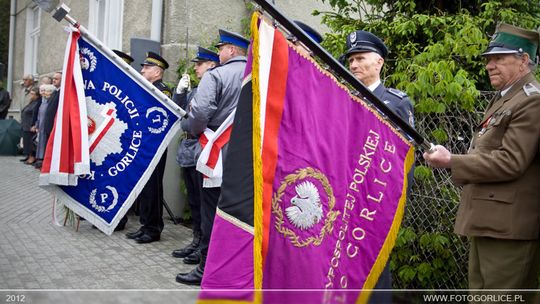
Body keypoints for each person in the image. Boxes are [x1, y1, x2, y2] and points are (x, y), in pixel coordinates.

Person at [423, 23, 540, 300]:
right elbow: (487, 151)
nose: (490, 65)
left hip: (510, 229)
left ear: (524, 60)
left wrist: (452, 160)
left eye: (500, 58)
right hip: (492, 223)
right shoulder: (506, 99)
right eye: (489, 59)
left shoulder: (531, 101)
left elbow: (511, 161)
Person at [342, 29, 414, 302]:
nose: (354, 65)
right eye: (351, 60)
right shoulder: (343, 97)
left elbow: (403, 162)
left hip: (375, 199)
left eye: (360, 58)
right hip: (345, 195)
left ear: (379, 62)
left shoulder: (395, 102)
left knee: (373, 266)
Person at [175, 29, 249, 285]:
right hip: (246, 156)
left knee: (210, 213)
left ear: (231, 50)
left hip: (215, 152)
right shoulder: (257, 75)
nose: (218, 53)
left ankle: (206, 268)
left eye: (221, 49)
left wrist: (191, 130)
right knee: (236, 214)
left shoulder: (216, 75)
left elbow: (199, 116)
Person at [171, 47, 219, 265]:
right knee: (193, 199)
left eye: (199, 64)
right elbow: (176, 110)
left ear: (211, 65)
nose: (195, 68)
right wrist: (181, 92)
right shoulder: (196, 89)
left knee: (202, 201)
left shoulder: (214, 86)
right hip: (188, 148)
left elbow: (199, 118)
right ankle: (196, 240)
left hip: (202, 146)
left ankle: (203, 245)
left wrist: (186, 122)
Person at [125, 51, 171, 244]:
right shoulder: (146, 88)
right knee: (144, 187)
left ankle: (153, 229)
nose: (142, 70)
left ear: (157, 71)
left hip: (155, 148)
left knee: (153, 188)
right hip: (143, 147)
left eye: (146, 67)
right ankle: (145, 225)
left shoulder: (163, 90)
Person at [31, 84, 57, 169]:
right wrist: (37, 125)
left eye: (47, 91)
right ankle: (39, 159)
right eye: (44, 91)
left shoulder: (50, 103)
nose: (45, 93)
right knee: (40, 143)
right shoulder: (43, 102)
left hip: (46, 126)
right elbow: (39, 115)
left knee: (44, 143)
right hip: (41, 126)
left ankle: (43, 160)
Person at [20, 87, 40, 165]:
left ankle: (32, 157)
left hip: (30, 125)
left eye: (32, 94)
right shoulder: (32, 101)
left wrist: (34, 125)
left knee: (30, 142)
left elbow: (35, 114)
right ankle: (28, 156)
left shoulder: (37, 102)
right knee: (26, 141)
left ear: (37, 95)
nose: (30, 95)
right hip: (25, 125)